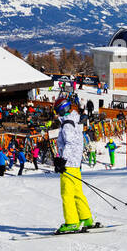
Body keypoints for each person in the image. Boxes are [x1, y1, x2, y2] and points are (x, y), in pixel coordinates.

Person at [54, 99, 100, 234]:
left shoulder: (67, 124)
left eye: (57, 111)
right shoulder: (75, 119)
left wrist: (62, 160)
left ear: (62, 110)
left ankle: (72, 222)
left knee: (67, 193)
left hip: (69, 163)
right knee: (77, 192)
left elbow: (69, 143)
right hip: (75, 162)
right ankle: (86, 218)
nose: (57, 114)